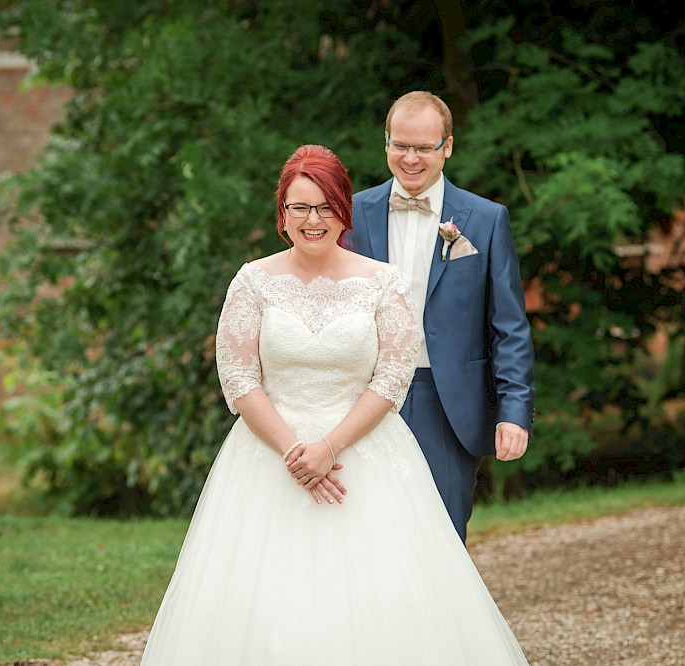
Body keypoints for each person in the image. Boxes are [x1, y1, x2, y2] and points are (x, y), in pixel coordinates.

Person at [139, 145, 528, 665]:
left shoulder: (380, 282)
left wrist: (330, 447)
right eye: (299, 207)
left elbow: (391, 378)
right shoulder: (252, 281)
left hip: (365, 453)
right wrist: (296, 452)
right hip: (269, 455)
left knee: (389, 598)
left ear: (343, 211)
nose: (312, 219)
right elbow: (238, 378)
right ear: (282, 214)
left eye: (324, 206)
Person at [350, 91, 536, 542]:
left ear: (447, 147)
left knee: (442, 540)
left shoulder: (486, 220)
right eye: (400, 145)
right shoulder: (350, 213)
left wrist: (514, 410)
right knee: (364, 538)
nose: (411, 158)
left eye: (424, 148)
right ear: (386, 143)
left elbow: (508, 327)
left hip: (447, 402)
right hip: (359, 401)